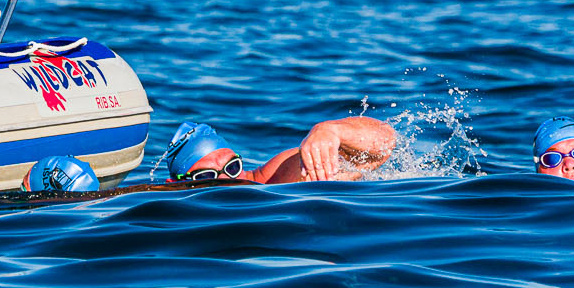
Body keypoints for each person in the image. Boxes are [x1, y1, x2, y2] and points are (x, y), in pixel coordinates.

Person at [161, 116, 397, 185]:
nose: (226, 181)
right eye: (206, 176)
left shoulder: (276, 178)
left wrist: (330, 131)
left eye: (232, 168)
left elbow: (384, 145)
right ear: (176, 184)